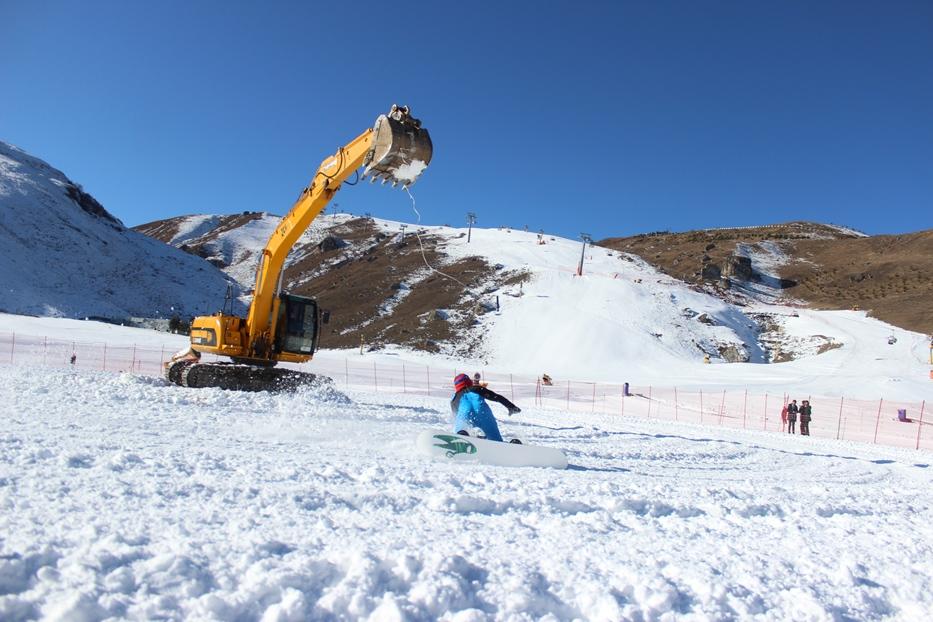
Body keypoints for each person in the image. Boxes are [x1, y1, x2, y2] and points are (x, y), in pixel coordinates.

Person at [450, 373, 520, 442]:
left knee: (461, 433)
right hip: (483, 413)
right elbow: (496, 397)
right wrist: (511, 407)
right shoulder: (476, 388)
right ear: (468, 382)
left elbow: (455, 415)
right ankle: (505, 445)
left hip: (464, 413)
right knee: (496, 440)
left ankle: (462, 436)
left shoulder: (454, 399)